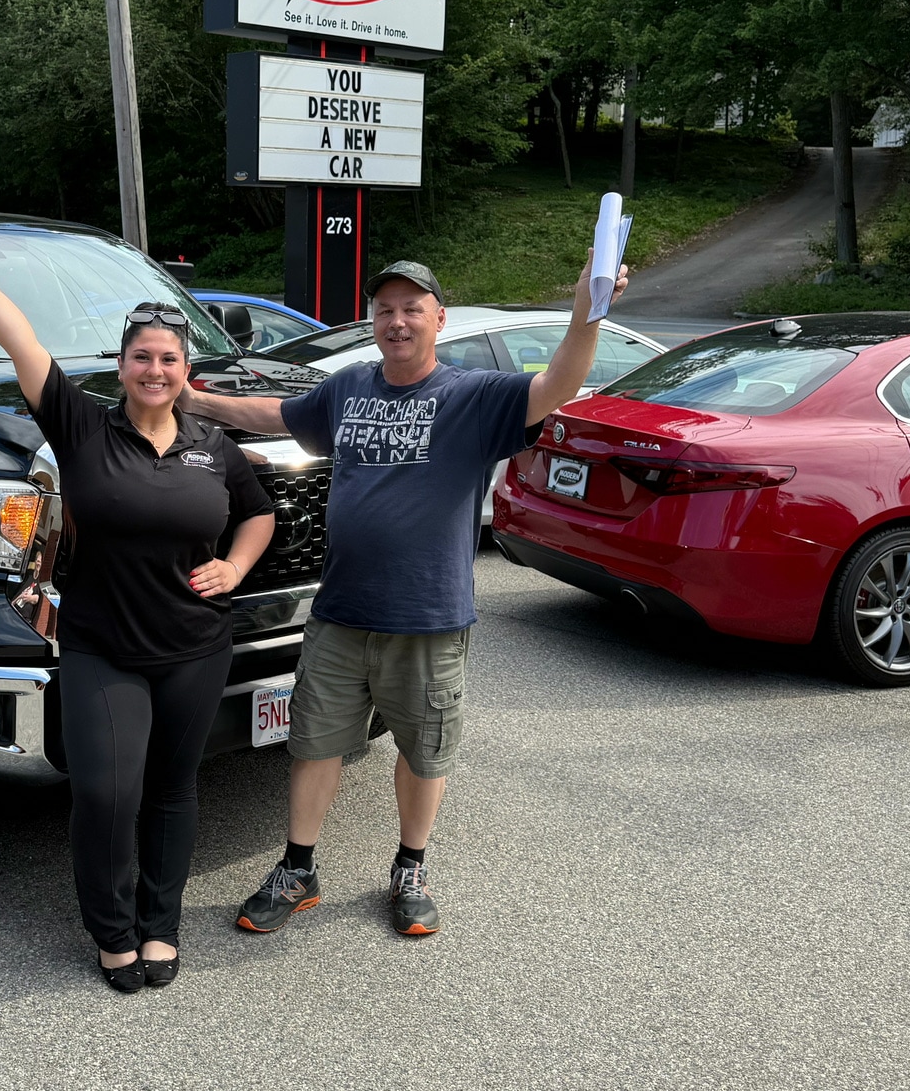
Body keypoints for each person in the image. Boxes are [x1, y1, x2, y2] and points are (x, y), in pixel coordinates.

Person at [179, 251, 627, 939]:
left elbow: (560, 383)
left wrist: (586, 313)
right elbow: (276, 415)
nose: (396, 321)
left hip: (428, 616)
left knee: (424, 750)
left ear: (437, 320)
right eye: (385, 309)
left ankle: (410, 867)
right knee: (313, 743)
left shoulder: (474, 396)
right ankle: (298, 869)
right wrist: (196, 399)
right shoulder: (348, 388)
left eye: (411, 308)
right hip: (339, 613)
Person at [0, 204, 276, 992]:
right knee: (109, 792)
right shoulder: (83, 428)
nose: (156, 370)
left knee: (173, 790)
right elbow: (21, 341)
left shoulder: (212, 446)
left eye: (170, 359)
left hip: (195, 644)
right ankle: (112, 930)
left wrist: (238, 568)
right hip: (102, 645)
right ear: (122, 368)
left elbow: (258, 512)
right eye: (143, 357)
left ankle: (161, 927)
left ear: (188, 371)